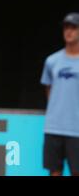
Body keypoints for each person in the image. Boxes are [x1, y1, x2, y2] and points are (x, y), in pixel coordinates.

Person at [41, 13, 79, 176]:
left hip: (77, 129)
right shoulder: (52, 61)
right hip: (54, 127)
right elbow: (49, 88)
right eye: (66, 27)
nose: (69, 31)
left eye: (74, 27)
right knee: (54, 171)